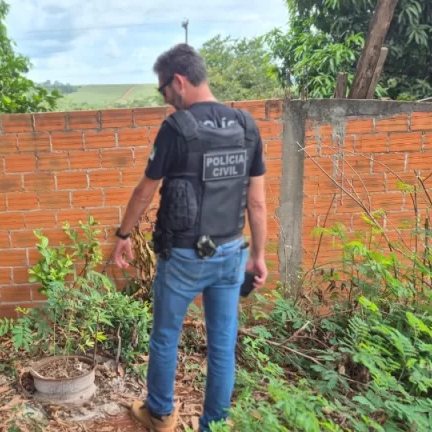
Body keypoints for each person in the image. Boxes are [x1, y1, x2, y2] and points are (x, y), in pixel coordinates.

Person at [111, 43, 269, 432]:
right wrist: (259, 256)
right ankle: (214, 424)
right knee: (222, 343)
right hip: (232, 253)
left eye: (164, 91)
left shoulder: (176, 129)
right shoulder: (247, 127)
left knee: (165, 336)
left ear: (179, 82)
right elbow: (258, 202)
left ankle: (160, 415)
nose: (166, 99)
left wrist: (123, 234)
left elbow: (145, 191)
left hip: (183, 256)